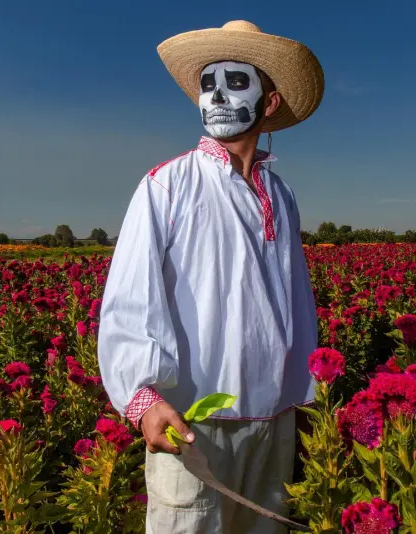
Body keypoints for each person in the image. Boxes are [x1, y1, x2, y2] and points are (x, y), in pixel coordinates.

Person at [97, 20, 324, 534]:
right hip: (194, 421)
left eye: (236, 81)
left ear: (269, 103)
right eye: (207, 83)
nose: (216, 94)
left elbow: (296, 301)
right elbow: (130, 299)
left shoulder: (281, 194)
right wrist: (142, 398)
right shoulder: (167, 185)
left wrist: (306, 396)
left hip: (274, 420)